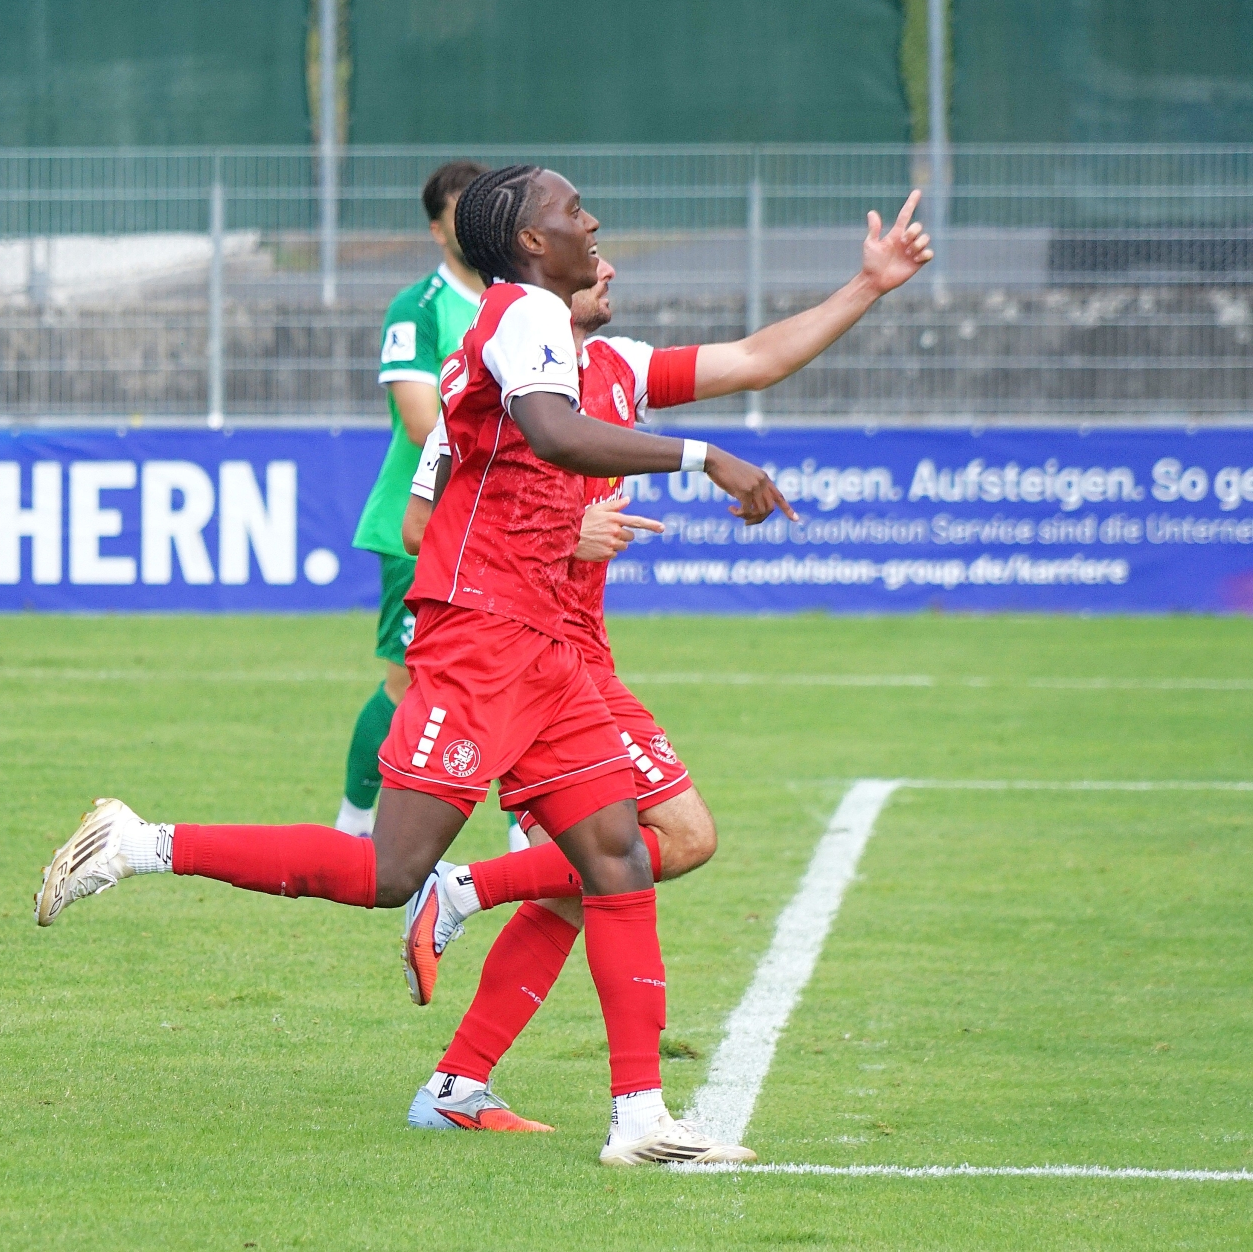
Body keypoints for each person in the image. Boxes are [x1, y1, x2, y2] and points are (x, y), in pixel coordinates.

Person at [36, 164, 798, 1165]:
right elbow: (553, 434)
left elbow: (556, 432)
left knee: (615, 855)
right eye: (573, 211)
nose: (593, 223)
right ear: (529, 242)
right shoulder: (520, 312)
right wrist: (704, 457)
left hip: (545, 645)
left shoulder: (547, 331)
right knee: (389, 871)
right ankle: (140, 842)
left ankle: (640, 1118)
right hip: (482, 637)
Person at [400, 191, 934, 1133]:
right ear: (536, 272)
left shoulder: (620, 370)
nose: (604, 261)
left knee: (596, 878)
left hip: (577, 658)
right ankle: (463, 896)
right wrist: (565, 535)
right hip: (525, 657)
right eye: (586, 245)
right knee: (671, 842)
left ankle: (457, 1083)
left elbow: (758, 359)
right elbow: (424, 527)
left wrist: (867, 285)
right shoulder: (488, 378)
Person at [336, 160, 488, 838]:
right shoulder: (419, 309)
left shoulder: (521, 302)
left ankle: (526, 835)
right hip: (419, 523)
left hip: (493, 525)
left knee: (510, 675)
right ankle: (351, 827)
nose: (475, 226)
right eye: (461, 215)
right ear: (436, 230)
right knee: (405, 683)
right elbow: (425, 423)